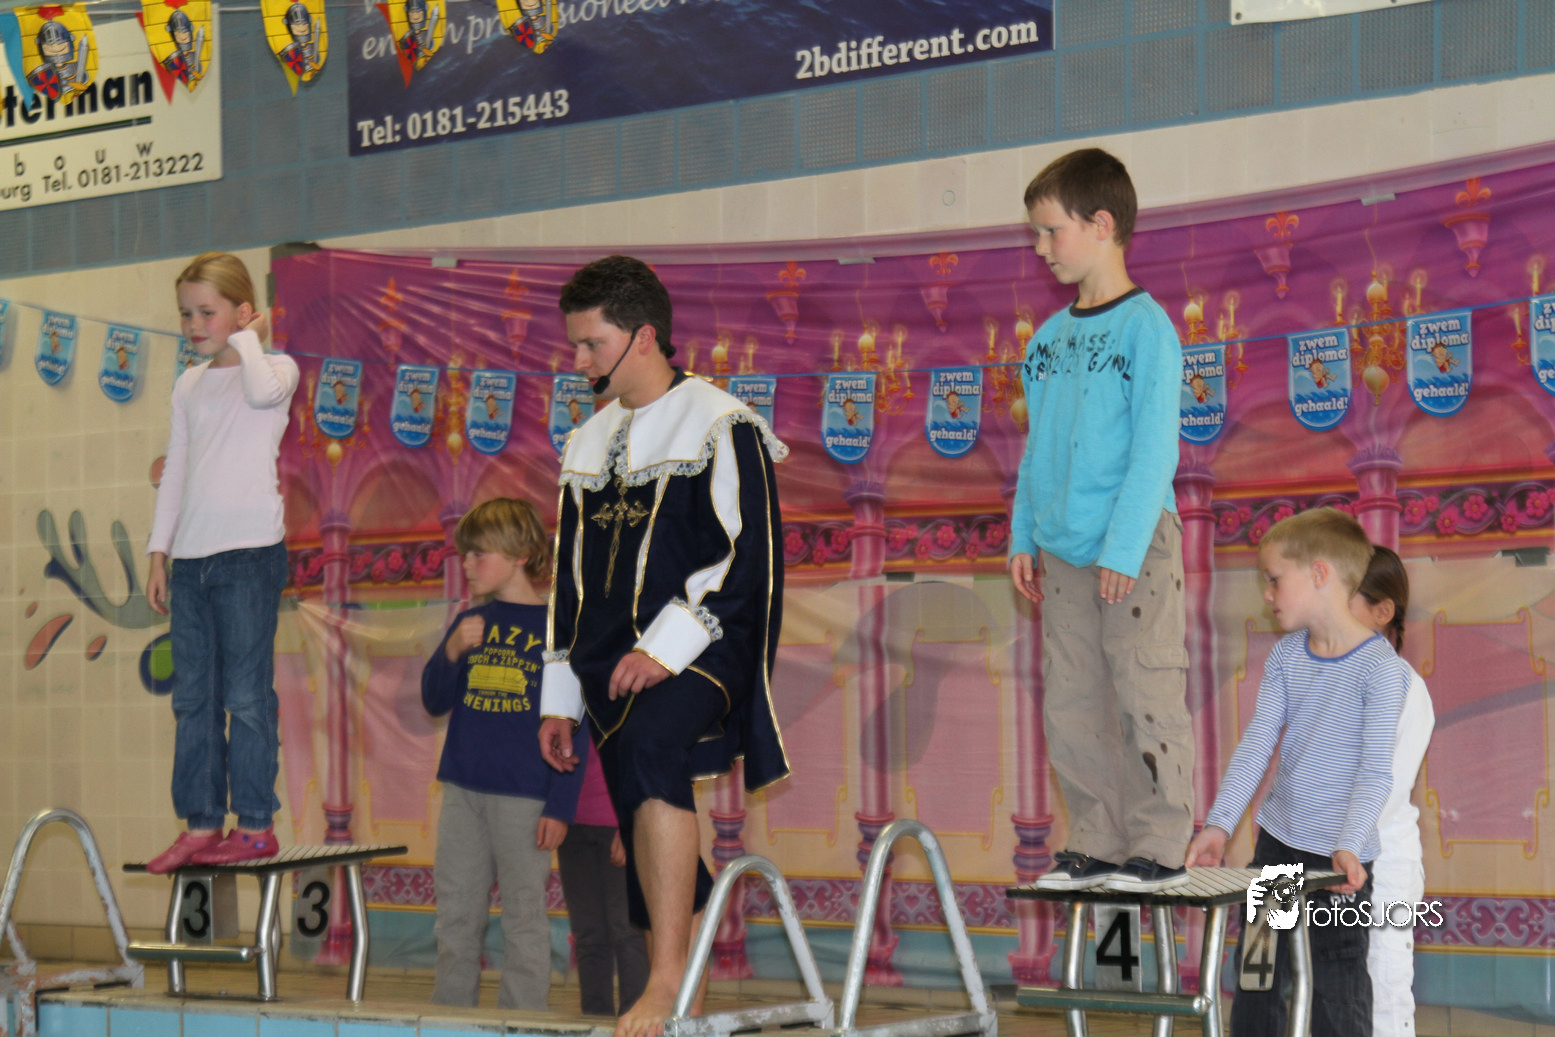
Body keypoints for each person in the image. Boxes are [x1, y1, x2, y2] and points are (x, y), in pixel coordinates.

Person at [537, 255, 789, 1037]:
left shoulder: (719, 422)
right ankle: (687, 992)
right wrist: (559, 698)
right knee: (642, 810)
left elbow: (745, 554)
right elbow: (568, 580)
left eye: (591, 343)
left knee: (651, 747)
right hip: (606, 662)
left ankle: (667, 977)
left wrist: (665, 649)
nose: (578, 360)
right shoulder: (587, 441)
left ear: (643, 336)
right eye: (574, 344)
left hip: (707, 645)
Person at [1008, 147, 1195, 892]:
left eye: (1051, 230)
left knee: (1144, 688)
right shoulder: (1046, 339)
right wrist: (1023, 534)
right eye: (1036, 232)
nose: (1040, 247)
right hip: (1061, 548)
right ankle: (1097, 835)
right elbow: (1036, 448)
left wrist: (1122, 546)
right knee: (1073, 697)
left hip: (1134, 543)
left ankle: (1160, 839)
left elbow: (1155, 449)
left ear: (1102, 224)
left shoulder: (1146, 330)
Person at [1185, 508, 1410, 1037]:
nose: (1267, 595)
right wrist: (1219, 825)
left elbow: (1375, 773)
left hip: (1338, 862)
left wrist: (1348, 846)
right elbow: (1256, 745)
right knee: (1259, 974)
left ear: (1320, 574)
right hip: (1278, 850)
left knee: (1336, 985)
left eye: (1274, 579)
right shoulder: (1287, 656)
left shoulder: (1382, 670)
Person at [145, 253, 299, 873]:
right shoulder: (189, 384)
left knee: (245, 695)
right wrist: (159, 552)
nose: (193, 324)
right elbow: (177, 472)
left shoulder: (276, 368)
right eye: (185, 313)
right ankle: (202, 822)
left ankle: (256, 825)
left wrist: (249, 339)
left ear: (242, 311)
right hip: (191, 562)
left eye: (207, 312)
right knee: (193, 699)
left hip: (249, 556)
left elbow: (260, 393)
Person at [423, 497, 585, 1010]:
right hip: (463, 791)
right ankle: (450, 1020)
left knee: (523, 918)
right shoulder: (470, 621)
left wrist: (560, 805)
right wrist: (452, 652)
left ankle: (522, 1022)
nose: (468, 565)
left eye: (479, 554)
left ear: (519, 556)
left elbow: (574, 729)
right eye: (464, 555)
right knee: (455, 917)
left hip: (525, 798)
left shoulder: (559, 629)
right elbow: (433, 700)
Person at [1350, 545, 1434, 1037]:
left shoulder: (1404, 688)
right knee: (1294, 983)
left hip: (1380, 867)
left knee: (1382, 993)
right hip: (1304, 860)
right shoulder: (1310, 675)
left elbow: (1379, 796)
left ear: (1382, 612)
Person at [557, 747, 650, 1017]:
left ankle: (635, 1022)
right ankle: (594, 1020)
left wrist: (629, 823)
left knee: (626, 930)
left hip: (616, 824)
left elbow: (642, 755)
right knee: (587, 934)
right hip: (571, 825)